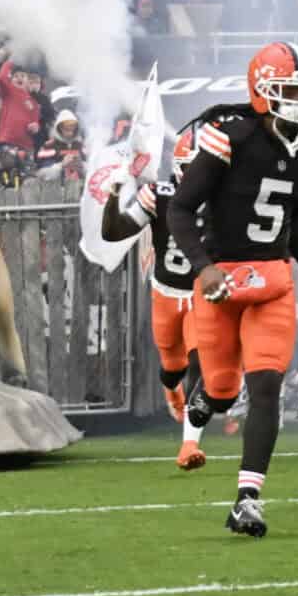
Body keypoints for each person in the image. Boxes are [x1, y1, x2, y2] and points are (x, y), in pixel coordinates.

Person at [166, 42, 298, 539]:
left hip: (272, 282)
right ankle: (206, 399)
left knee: (266, 385)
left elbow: (293, 216)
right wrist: (203, 267)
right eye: (291, 91)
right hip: (222, 280)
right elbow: (179, 208)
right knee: (222, 390)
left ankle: (248, 499)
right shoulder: (229, 137)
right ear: (262, 92)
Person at [98, 127, 202, 461]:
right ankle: (173, 391)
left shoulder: (226, 197)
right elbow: (115, 232)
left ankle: (190, 441)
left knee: (201, 361)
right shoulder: (160, 193)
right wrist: (113, 195)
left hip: (204, 292)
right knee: (173, 366)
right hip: (167, 292)